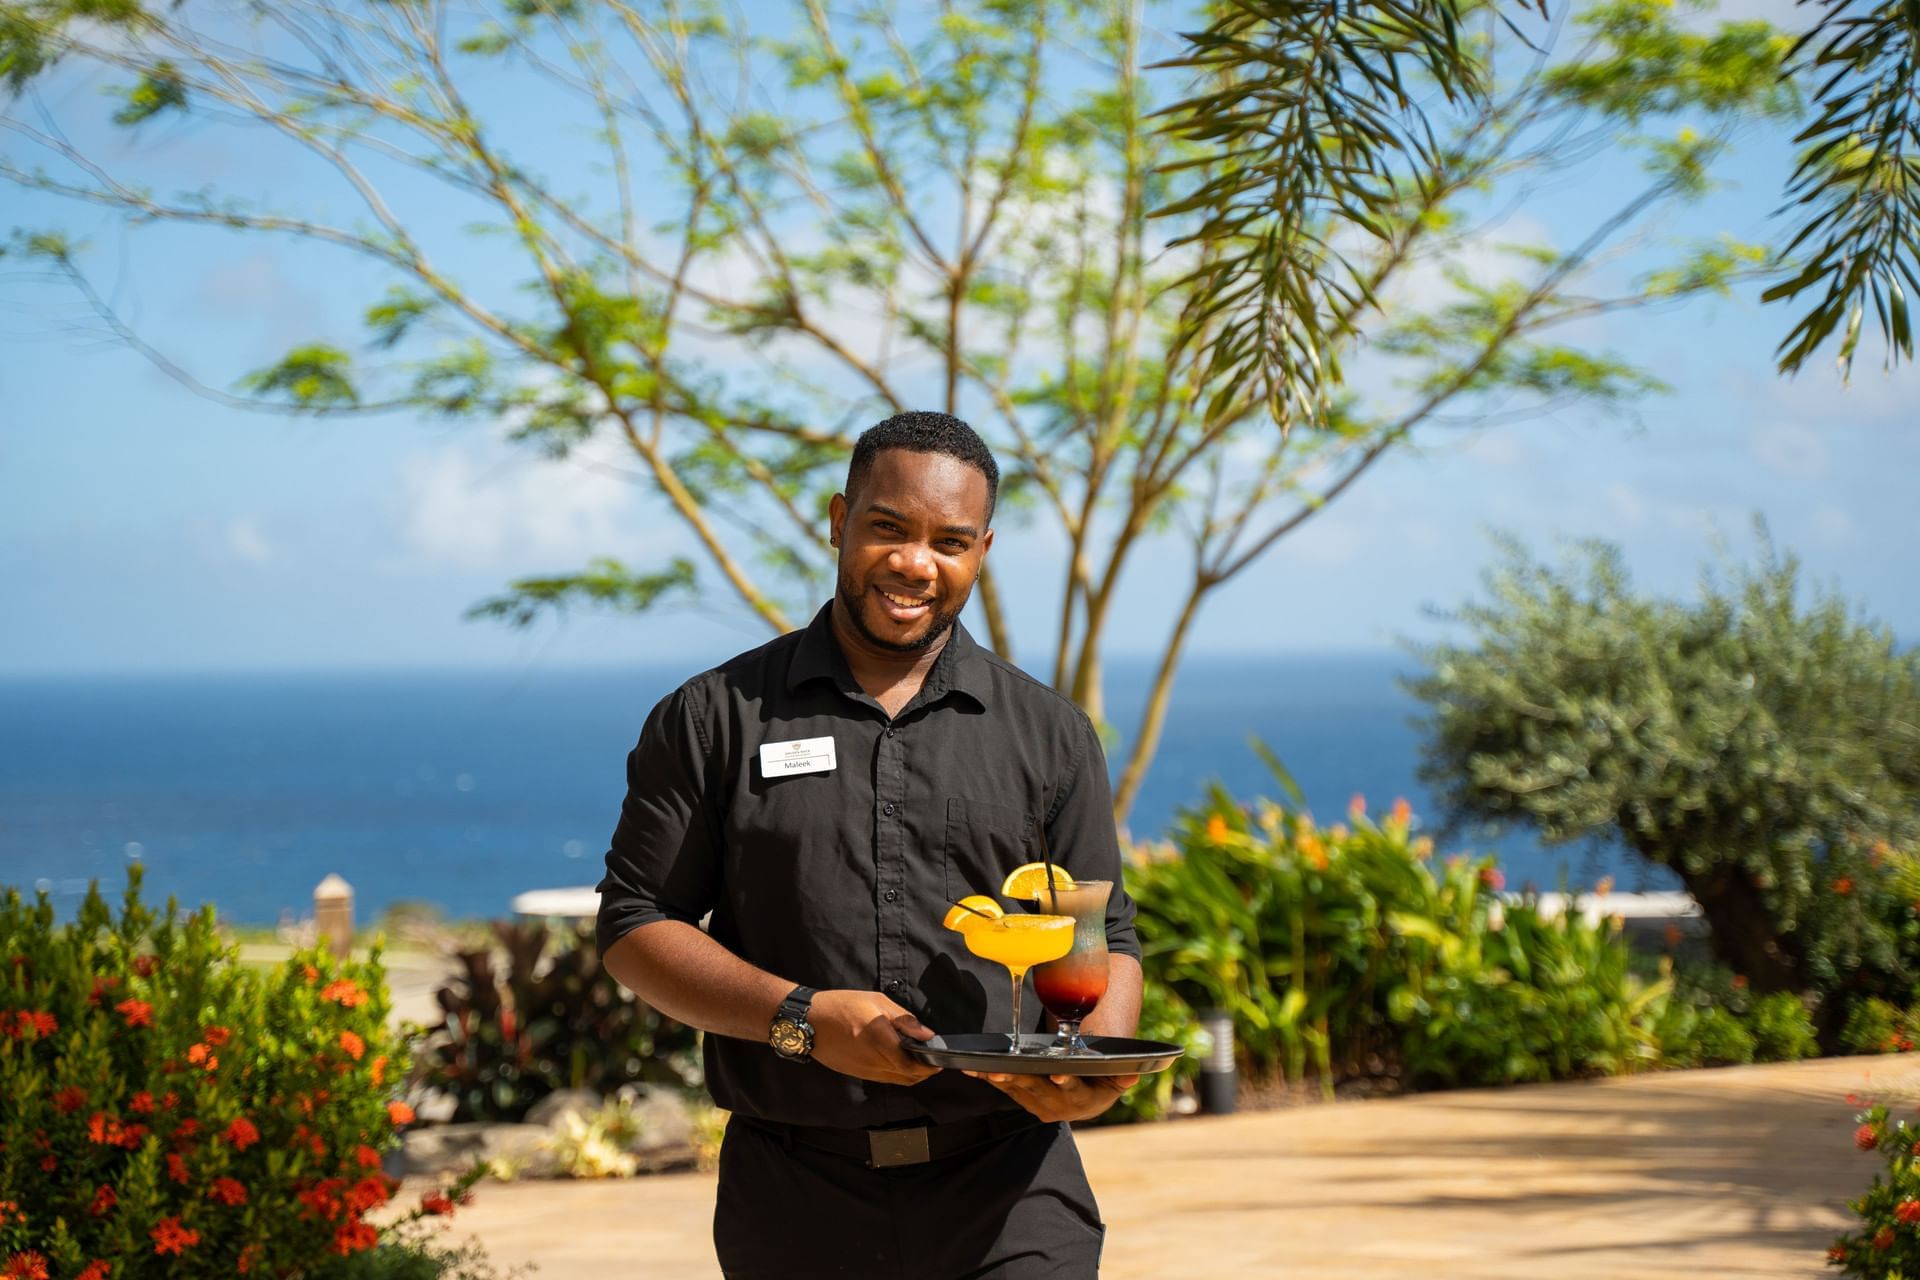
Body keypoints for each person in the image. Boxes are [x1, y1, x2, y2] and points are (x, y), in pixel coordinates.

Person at [596, 410, 1144, 1278]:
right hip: (792, 1202)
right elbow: (633, 926)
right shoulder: (712, 718)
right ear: (837, 520)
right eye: (888, 527)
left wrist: (1092, 1066)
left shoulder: (1051, 733)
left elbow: (1103, 933)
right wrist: (801, 1021)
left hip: (1011, 1194)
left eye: (949, 541)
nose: (915, 563)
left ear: (982, 552)